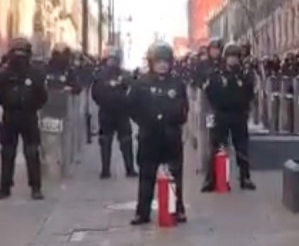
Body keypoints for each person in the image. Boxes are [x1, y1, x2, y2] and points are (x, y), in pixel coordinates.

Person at [127, 43, 189, 225]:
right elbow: (132, 106)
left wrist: (173, 119)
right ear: (152, 63)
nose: (162, 65)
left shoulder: (177, 84)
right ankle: (142, 212)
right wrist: (146, 121)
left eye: (165, 62)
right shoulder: (141, 83)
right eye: (158, 62)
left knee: (175, 174)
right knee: (146, 175)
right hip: (149, 135)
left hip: (171, 135)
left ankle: (177, 209)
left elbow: (184, 107)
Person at [202, 42, 256, 192]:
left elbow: (250, 93)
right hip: (221, 114)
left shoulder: (244, 75)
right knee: (216, 146)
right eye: (230, 57)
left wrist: (244, 106)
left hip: (239, 114)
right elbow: (209, 92)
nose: (233, 60)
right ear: (225, 58)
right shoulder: (216, 74)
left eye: (235, 57)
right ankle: (211, 180)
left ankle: (245, 177)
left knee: (242, 147)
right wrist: (217, 106)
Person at [0, 37, 48, 200]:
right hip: (15, 115)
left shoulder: (33, 73)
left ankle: (29, 187)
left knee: (27, 152)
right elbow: (42, 96)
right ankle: (11, 186)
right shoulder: (5, 73)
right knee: (11, 152)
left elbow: (42, 96)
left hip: (22, 116)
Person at [91, 48, 136, 179]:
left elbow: (132, 90)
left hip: (122, 113)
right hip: (106, 112)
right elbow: (95, 93)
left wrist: (127, 103)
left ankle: (130, 169)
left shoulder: (126, 75)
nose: (112, 62)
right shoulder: (100, 75)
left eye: (115, 59)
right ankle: (105, 170)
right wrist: (103, 103)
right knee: (105, 141)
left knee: (126, 141)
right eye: (110, 59)